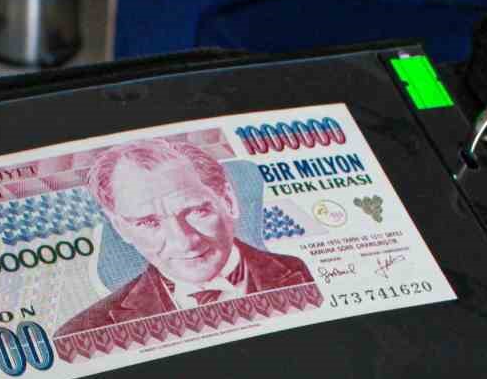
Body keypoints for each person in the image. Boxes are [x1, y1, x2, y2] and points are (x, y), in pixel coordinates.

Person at [55, 138, 315, 335]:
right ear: (121, 228)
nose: (184, 242)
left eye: (196, 211)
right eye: (148, 222)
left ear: (228, 200)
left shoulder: (310, 274)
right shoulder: (84, 331)